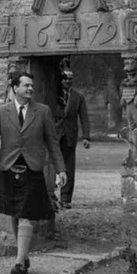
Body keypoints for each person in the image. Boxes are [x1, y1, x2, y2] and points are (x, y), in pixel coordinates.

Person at [0, 71, 66, 274]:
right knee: (14, 213)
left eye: (32, 85)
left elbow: (53, 143)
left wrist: (61, 169)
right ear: (14, 88)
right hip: (8, 168)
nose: (30, 89)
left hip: (32, 168)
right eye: (26, 85)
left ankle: (19, 263)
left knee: (27, 213)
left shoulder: (43, 111)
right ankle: (24, 253)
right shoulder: (1, 112)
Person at [54, 69, 90, 209]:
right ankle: (51, 196)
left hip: (70, 136)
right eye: (64, 78)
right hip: (55, 135)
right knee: (52, 165)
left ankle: (65, 198)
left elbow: (84, 117)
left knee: (69, 167)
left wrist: (86, 136)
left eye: (70, 79)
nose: (67, 81)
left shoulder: (78, 97)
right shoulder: (54, 94)